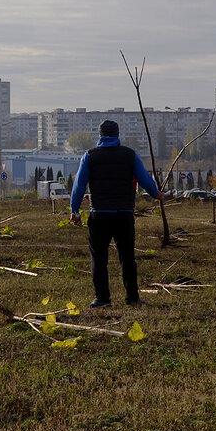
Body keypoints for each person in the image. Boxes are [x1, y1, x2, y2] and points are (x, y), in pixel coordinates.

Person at [69, 120, 159, 308]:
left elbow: (79, 186)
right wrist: (157, 194)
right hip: (124, 214)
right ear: (118, 135)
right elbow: (145, 179)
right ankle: (133, 298)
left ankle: (102, 298)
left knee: (99, 258)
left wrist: (74, 210)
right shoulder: (130, 155)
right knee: (127, 257)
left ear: (100, 135)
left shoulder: (90, 156)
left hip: (99, 214)